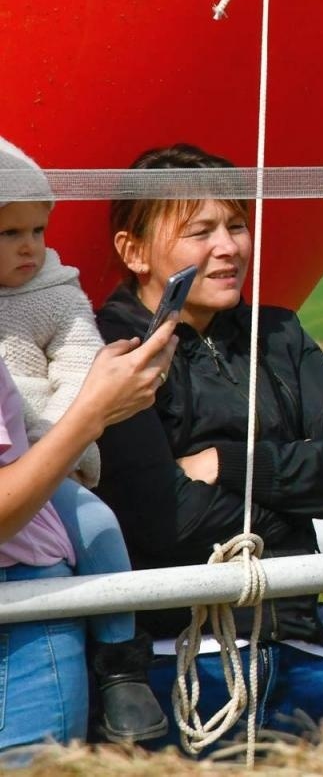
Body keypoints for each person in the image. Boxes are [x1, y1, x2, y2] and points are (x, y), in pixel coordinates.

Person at [94, 143, 323, 753]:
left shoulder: (278, 334)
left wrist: (228, 465)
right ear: (133, 251)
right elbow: (165, 521)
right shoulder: (109, 353)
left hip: (298, 649)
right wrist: (297, 508)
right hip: (176, 663)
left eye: (238, 224)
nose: (228, 247)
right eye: (201, 231)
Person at [0, 137, 168, 743]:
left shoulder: (54, 292)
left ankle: (122, 664)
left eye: (38, 230)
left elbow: (78, 363)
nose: (28, 247)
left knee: (97, 527)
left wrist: (61, 442)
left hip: (48, 457)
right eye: (7, 233)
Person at [0, 317, 175, 749]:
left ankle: (122, 665)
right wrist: (94, 411)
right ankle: (121, 666)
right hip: (19, 604)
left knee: (96, 520)